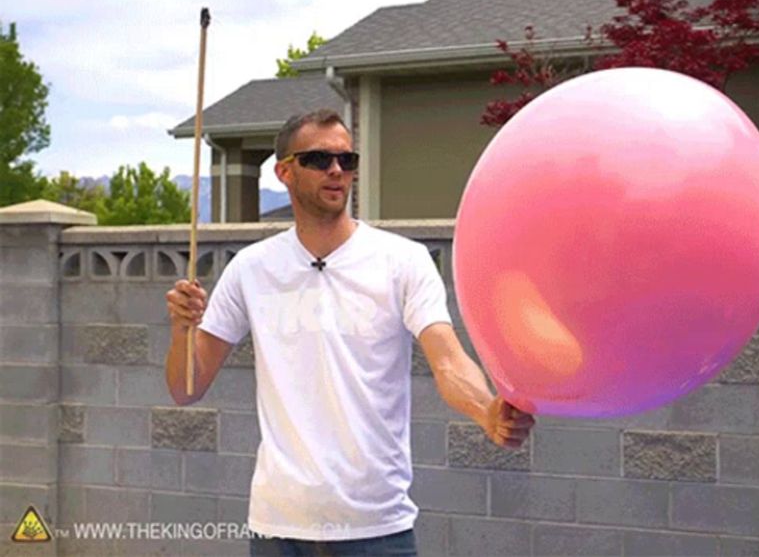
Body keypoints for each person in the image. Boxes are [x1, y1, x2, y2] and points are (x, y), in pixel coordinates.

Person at [163, 108, 535, 556]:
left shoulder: (403, 261)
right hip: (278, 528)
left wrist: (485, 410)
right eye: (319, 159)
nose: (337, 170)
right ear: (284, 171)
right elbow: (186, 388)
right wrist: (183, 329)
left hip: (377, 528)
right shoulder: (251, 269)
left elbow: (448, 358)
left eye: (347, 159)